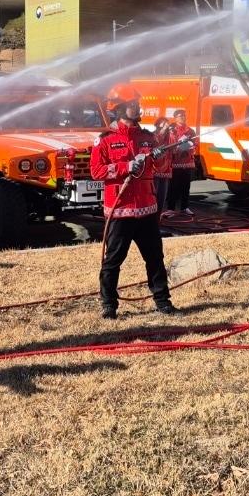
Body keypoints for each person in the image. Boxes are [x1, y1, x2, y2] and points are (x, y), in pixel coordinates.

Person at [90, 84, 177, 320]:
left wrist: (161, 157)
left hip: (147, 210)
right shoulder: (105, 141)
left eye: (137, 103)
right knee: (113, 261)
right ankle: (109, 305)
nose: (137, 107)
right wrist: (125, 167)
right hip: (120, 212)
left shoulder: (148, 137)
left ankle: (163, 302)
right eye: (132, 104)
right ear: (119, 109)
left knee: (155, 259)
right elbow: (96, 172)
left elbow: (161, 168)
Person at [165, 108, 198, 215]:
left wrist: (190, 146)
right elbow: (167, 143)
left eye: (184, 115)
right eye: (180, 116)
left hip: (187, 162)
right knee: (173, 187)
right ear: (175, 118)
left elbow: (195, 142)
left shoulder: (190, 130)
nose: (183, 118)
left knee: (186, 187)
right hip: (174, 163)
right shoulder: (171, 129)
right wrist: (176, 148)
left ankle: (185, 207)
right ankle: (171, 208)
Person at [151, 116, 174, 217]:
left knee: (161, 198)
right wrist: (163, 131)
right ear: (158, 125)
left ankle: (158, 219)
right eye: (164, 124)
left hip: (166, 171)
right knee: (153, 197)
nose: (166, 126)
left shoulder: (169, 136)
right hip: (154, 170)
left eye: (167, 124)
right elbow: (156, 144)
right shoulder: (152, 135)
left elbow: (174, 148)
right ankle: (151, 220)